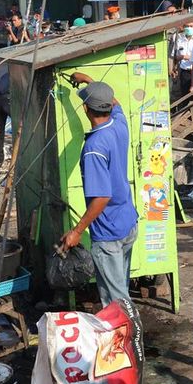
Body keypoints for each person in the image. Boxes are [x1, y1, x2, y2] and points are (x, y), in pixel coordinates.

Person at [60, 75, 138, 306]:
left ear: (85, 108)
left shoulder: (94, 147)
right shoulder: (119, 123)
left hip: (108, 232)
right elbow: (114, 103)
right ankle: (121, 337)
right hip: (127, 222)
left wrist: (76, 230)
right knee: (118, 288)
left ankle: (128, 340)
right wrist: (88, 81)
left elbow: (102, 196)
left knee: (116, 301)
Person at [171, 21, 193, 101]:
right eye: (187, 26)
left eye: (191, 26)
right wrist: (181, 57)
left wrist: (191, 57)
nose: (189, 28)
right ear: (183, 27)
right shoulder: (179, 39)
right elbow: (174, 55)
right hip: (185, 72)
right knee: (185, 97)